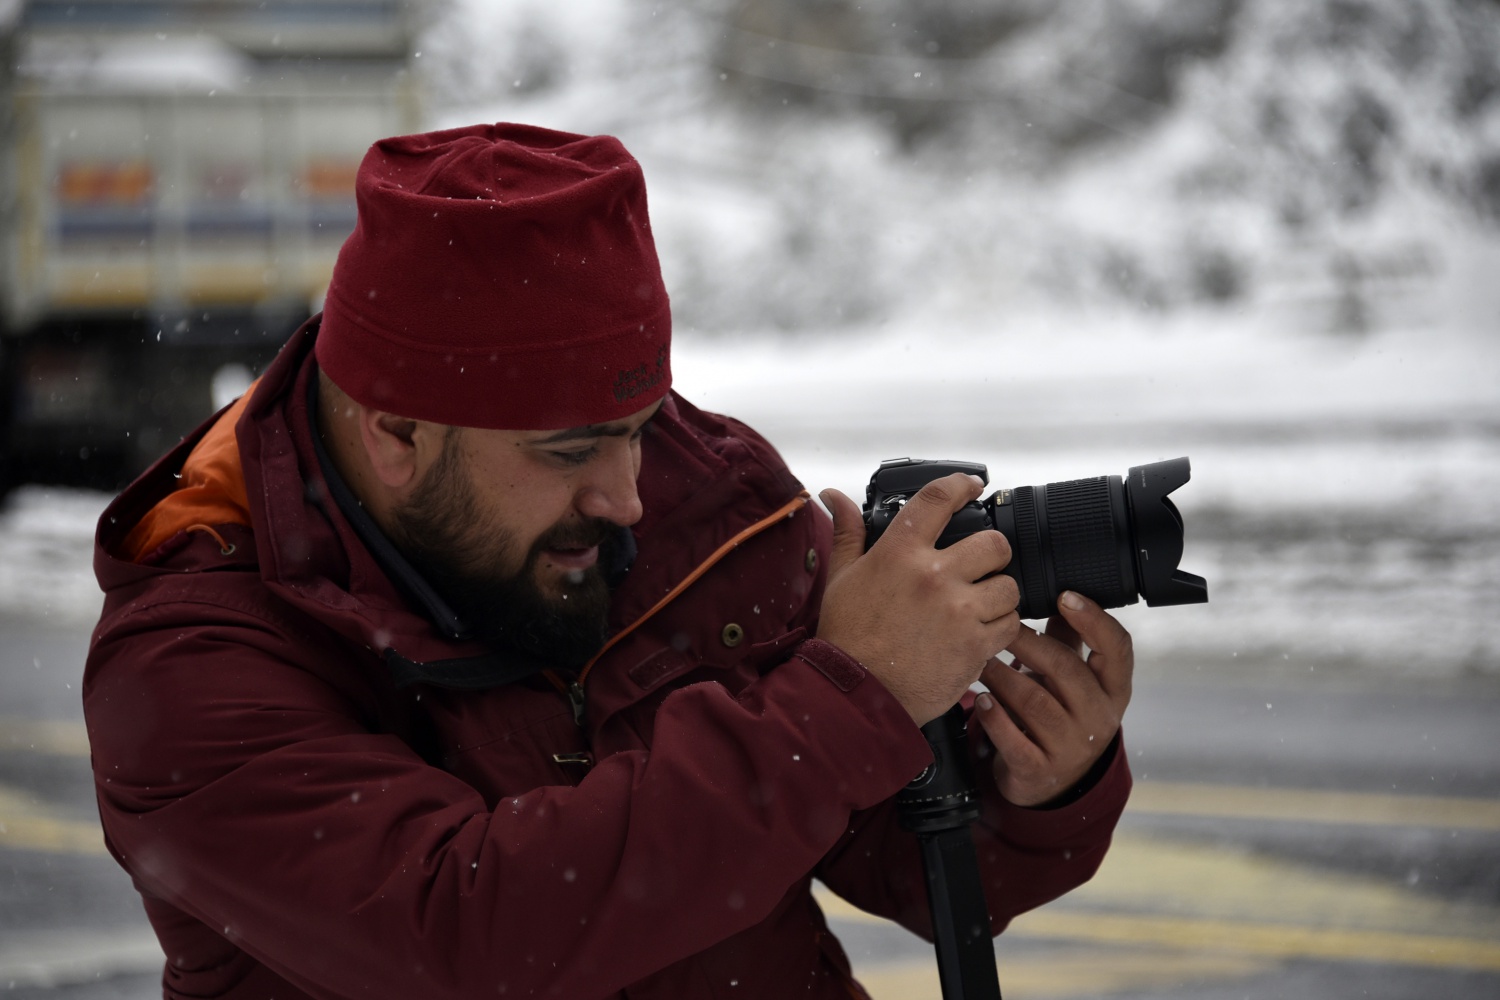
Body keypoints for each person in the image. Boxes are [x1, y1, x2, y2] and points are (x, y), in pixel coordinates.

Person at [83, 123, 1134, 1000]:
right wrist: (848, 700)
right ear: (394, 434)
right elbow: (467, 937)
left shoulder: (709, 499)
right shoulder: (190, 659)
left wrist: (1034, 784)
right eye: (572, 448)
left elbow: (900, 854)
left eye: (637, 424)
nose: (628, 492)